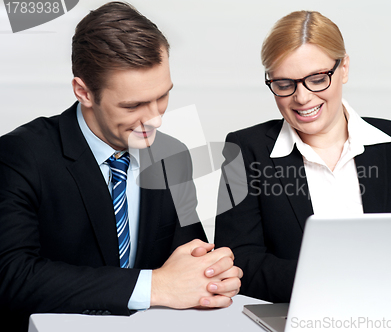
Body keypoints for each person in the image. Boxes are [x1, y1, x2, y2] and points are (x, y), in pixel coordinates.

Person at [0, 2, 242, 331]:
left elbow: (188, 261)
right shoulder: (20, 155)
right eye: (133, 105)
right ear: (83, 91)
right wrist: (156, 285)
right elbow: (14, 278)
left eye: (163, 96)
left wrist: (212, 276)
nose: (156, 118)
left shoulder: (172, 154)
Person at [214, 10, 391, 303]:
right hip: (299, 316)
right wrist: (338, 282)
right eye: (284, 84)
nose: (302, 98)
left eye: (317, 79)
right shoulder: (245, 150)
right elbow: (240, 261)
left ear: (343, 68)